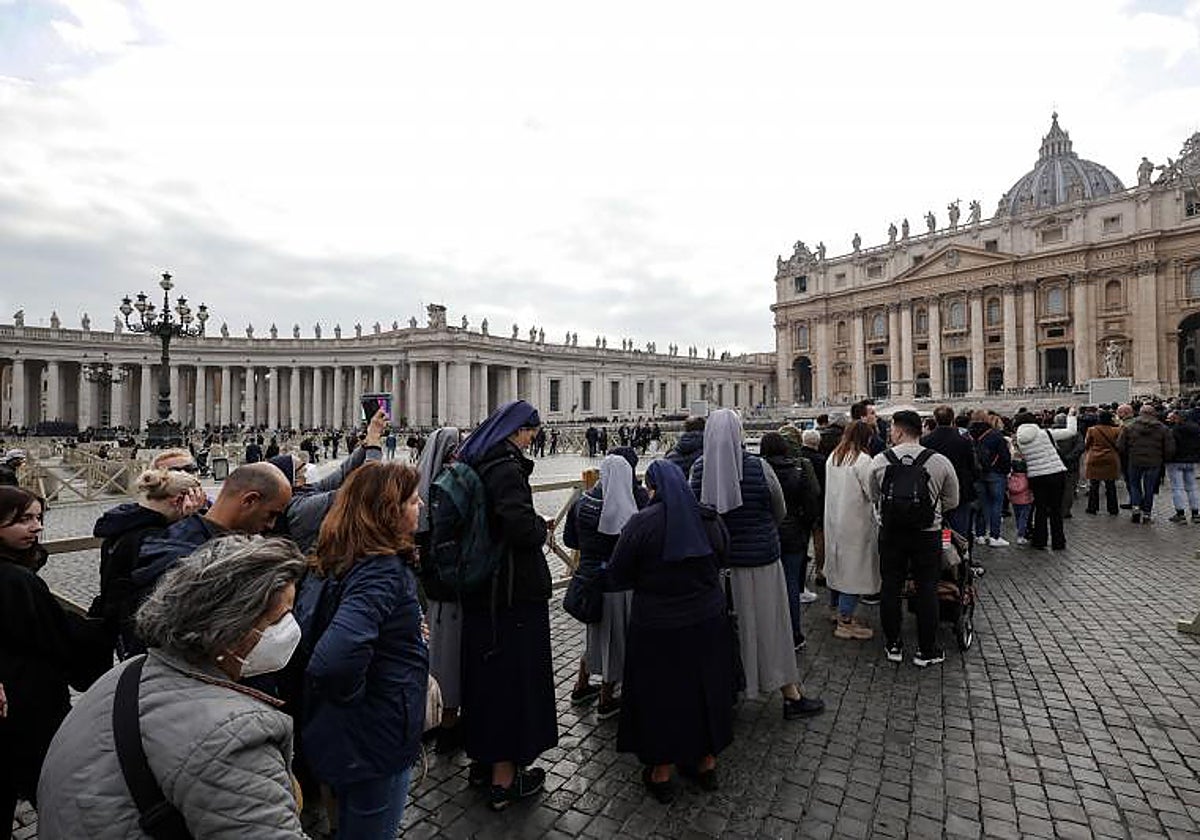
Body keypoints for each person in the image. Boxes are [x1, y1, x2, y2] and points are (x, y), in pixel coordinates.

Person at [37, 535, 309, 839]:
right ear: (230, 627)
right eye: (280, 619)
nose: (291, 629)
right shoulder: (232, 735)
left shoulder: (128, 672)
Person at [300, 461, 430, 837]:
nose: (420, 505)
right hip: (374, 737)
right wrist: (378, 702)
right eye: (412, 500)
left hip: (336, 733)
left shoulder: (333, 556)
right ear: (389, 512)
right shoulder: (382, 571)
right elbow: (333, 662)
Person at [609, 460, 735, 803]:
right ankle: (705, 763)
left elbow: (619, 572)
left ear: (654, 488)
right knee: (706, 690)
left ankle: (661, 772)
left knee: (660, 696)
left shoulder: (642, 523)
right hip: (708, 620)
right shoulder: (709, 519)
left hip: (658, 626)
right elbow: (724, 556)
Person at [455, 400, 557, 810]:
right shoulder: (506, 467)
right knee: (513, 680)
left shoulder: (476, 459)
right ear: (516, 431)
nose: (533, 439)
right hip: (511, 594)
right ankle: (504, 780)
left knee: (483, 676)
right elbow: (517, 524)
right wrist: (539, 528)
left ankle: (481, 761)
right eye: (531, 431)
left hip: (481, 590)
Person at [689, 409, 824, 718]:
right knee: (771, 627)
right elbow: (778, 510)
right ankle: (790, 694)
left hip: (718, 567)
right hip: (760, 561)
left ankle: (728, 688)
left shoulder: (698, 469)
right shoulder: (759, 467)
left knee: (724, 631)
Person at [0, 487, 110, 839]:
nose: (36, 528)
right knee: (49, 779)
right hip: (28, 699)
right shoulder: (16, 579)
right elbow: (54, 635)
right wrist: (101, 625)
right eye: (22, 520)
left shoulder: (18, 569)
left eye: (38, 518)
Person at [869, 410, 959, 667]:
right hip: (928, 533)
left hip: (891, 532)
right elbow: (953, 499)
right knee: (927, 588)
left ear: (898, 431)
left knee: (891, 587)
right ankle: (927, 650)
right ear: (921, 431)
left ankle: (893, 645)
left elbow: (873, 495)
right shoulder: (940, 461)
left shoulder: (879, 460)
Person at [90, 468, 206, 658]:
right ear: (178, 501)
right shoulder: (155, 538)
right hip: (142, 630)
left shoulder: (123, 523)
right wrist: (192, 521)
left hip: (118, 620)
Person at [135, 462, 293, 597]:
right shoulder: (184, 559)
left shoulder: (183, 535)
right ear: (249, 500)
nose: (271, 525)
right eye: (271, 514)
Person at [564, 454, 639, 719]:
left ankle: (581, 685)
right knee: (616, 640)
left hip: (588, 581)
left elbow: (569, 539)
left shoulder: (582, 501)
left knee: (595, 634)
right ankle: (607, 699)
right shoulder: (628, 508)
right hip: (618, 586)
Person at [267, 409, 386, 552]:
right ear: (292, 480)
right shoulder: (300, 508)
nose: (307, 471)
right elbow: (359, 492)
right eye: (302, 469)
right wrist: (374, 448)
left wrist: (366, 443)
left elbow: (342, 473)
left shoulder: (302, 491)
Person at [414, 426, 464, 753]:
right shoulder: (445, 489)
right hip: (447, 584)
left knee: (442, 651)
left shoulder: (424, 491)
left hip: (434, 584)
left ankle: (442, 716)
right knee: (447, 655)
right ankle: (445, 722)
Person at [759, 432, 819, 649]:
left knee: (766, 586)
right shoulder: (800, 468)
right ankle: (794, 634)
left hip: (768, 534)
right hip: (795, 534)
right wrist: (804, 527)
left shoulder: (759, 470)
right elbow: (812, 501)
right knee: (792, 584)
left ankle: (769, 635)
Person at [823, 421, 880, 641]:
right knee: (853, 571)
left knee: (838, 567)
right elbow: (873, 492)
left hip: (835, 520)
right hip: (856, 522)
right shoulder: (863, 460)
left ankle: (836, 609)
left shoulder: (835, 457)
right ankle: (845, 622)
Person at [1013, 410, 1075, 548]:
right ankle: (1058, 542)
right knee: (1056, 509)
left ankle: (1039, 540)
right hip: (1055, 472)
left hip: (1036, 475)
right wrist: (1071, 415)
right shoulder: (1045, 433)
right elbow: (1071, 431)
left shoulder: (1019, 439)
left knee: (1040, 509)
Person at [920, 406, 978, 542]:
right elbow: (972, 466)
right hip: (960, 489)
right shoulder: (964, 441)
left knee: (941, 527)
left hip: (935, 491)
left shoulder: (925, 441)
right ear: (952, 420)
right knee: (961, 529)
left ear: (935, 419)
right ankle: (961, 556)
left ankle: (945, 553)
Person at [1118, 404, 1174, 523]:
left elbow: (1120, 445)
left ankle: (1136, 509)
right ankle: (1147, 514)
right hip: (1154, 462)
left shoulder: (1130, 427)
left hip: (1135, 460)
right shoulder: (1163, 428)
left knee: (1134, 486)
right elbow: (1169, 448)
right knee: (1149, 488)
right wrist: (1164, 459)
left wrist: (1128, 454)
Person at [968, 411, 1011, 546]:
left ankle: (980, 535)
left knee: (981, 504)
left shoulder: (968, 435)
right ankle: (994, 536)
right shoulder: (995, 435)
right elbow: (1004, 456)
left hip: (978, 473)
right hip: (995, 473)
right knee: (996, 505)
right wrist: (1004, 470)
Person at [1083, 409, 1122, 516]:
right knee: (1110, 485)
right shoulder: (1116, 430)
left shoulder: (1092, 430)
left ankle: (1092, 508)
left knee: (1094, 485)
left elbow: (1086, 445)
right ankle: (1113, 509)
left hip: (1094, 458)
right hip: (1110, 458)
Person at [1166, 410, 1200, 522]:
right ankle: (1195, 513)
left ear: (1178, 418)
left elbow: (1170, 446)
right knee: (1192, 487)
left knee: (1177, 487)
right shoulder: (1196, 428)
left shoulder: (1174, 430)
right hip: (1191, 460)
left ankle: (1180, 514)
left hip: (1176, 461)